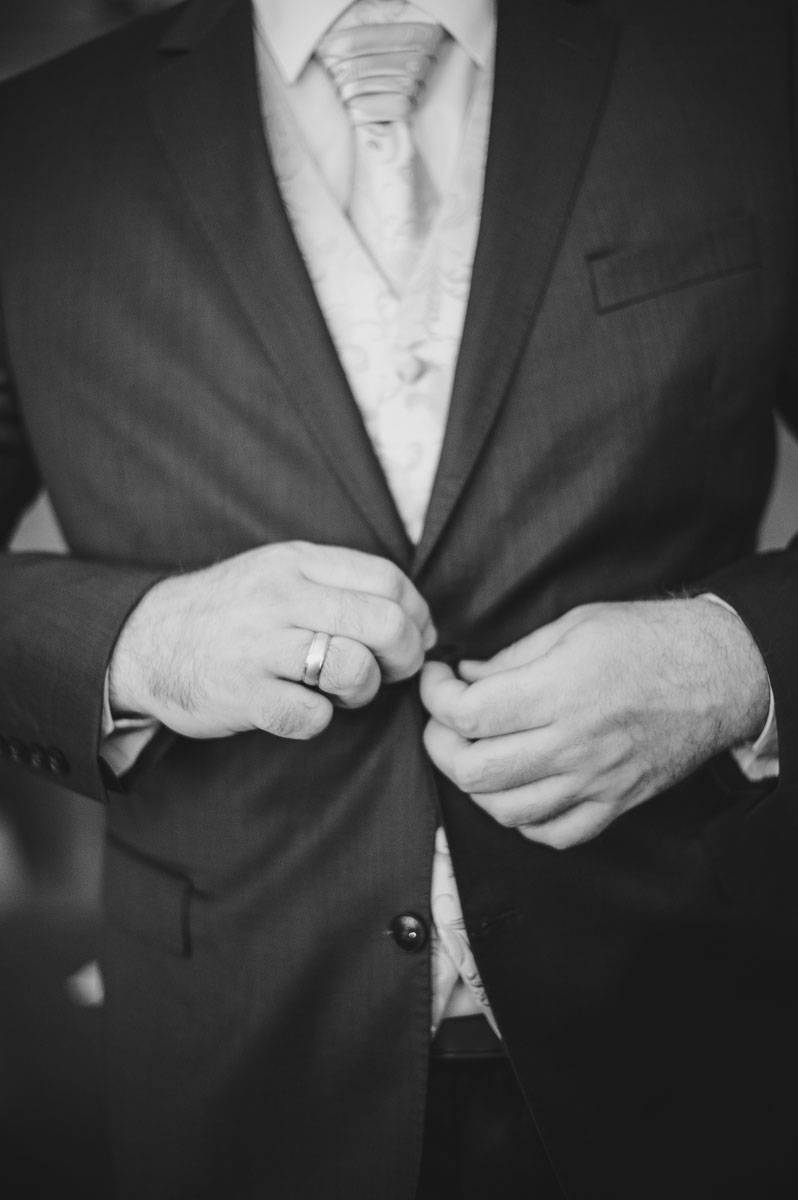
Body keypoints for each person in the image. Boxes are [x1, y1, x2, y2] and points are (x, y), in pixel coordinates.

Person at [0, 0, 796, 1195]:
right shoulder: (36, 147)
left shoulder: (744, 70)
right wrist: (143, 643)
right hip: (242, 1060)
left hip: (698, 1029)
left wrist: (734, 662)